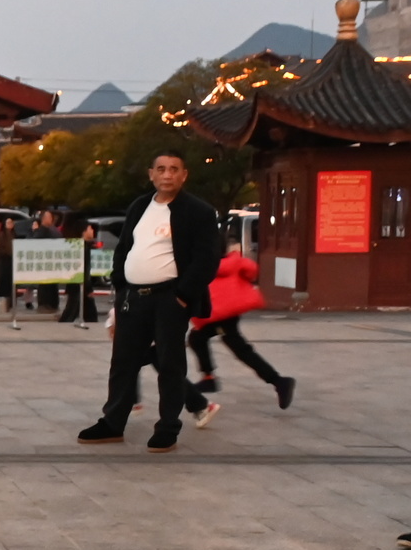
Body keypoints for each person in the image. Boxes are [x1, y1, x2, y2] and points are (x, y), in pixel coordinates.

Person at [78, 148, 221, 453]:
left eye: (173, 169)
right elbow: (125, 249)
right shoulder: (139, 206)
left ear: (184, 175)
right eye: (161, 169)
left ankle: (167, 427)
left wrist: (182, 296)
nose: (167, 174)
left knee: (170, 364)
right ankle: (112, 422)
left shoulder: (199, 211)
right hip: (133, 297)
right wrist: (120, 285)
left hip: (169, 298)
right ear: (151, 174)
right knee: (123, 362)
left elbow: (206, 260)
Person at [186, 240, 295, 410]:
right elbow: (252, 271)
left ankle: (278, 381)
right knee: (199, 338)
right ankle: (209, 378)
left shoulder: (202, 265)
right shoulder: (235, 262)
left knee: (237, 348)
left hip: (218, 314)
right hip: (230, 312)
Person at [56, 215, 99, 324]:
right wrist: (88, 288)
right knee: (71, 312)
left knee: (89, 314)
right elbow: (83, 269)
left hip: (79, 285)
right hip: (79, 285)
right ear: (83, 232)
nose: (93, 231)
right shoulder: (81, 248)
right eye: (90, 228)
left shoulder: (83, 246)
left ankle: (91, 327)